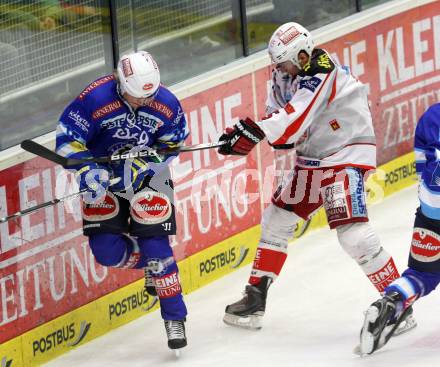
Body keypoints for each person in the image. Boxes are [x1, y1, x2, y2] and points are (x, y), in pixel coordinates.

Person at [217, 22, 416, 334]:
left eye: (284, 61)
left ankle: (398, 303)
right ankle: (255, 298)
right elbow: (281, 132)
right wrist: (245, 135)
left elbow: (294, 119)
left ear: (302, 54)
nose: (280, 68)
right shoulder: (282, 74)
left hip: (345, 152)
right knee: (277, 219)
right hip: (314, 157)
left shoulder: (322, 68)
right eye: (277, 63)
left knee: (354, 235)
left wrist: (256, 130)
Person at [55, 50, 189, 351]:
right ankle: (153, 265)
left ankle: (175, 316)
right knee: (105, 251)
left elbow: (175, 141)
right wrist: (87, 168)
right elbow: (66, 138)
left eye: (150, 95)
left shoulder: (165, 102)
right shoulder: (94, 99)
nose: (145, 102)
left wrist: (153, 160)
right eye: (136, 96)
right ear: (119, 81)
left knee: (157, 246)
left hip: (148, 177)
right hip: (101, 181)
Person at [359, 103, 440, 355]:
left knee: (421, 274)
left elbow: (421, 165)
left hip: (431, 209)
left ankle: (391, 301)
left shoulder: (432, 115)